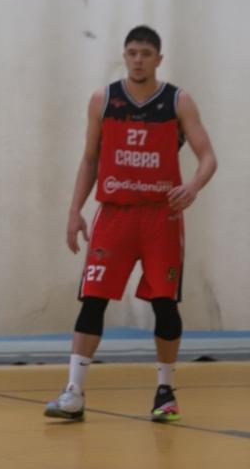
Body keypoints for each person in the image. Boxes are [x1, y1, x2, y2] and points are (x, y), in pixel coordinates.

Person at [44, 25, 217, 422]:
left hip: (161, 218)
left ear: (159, 58)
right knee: (93, 301)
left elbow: (208, 156)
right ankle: (73, 392)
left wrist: (192, 186)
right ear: (125, 56)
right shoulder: (103, 99)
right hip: (114, 215)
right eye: (132, 52)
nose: (138, 59)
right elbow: (89, 159)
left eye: (146, 53)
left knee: (165, 306)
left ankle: (165, 391)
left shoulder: (178, 101)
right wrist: (75, 211)